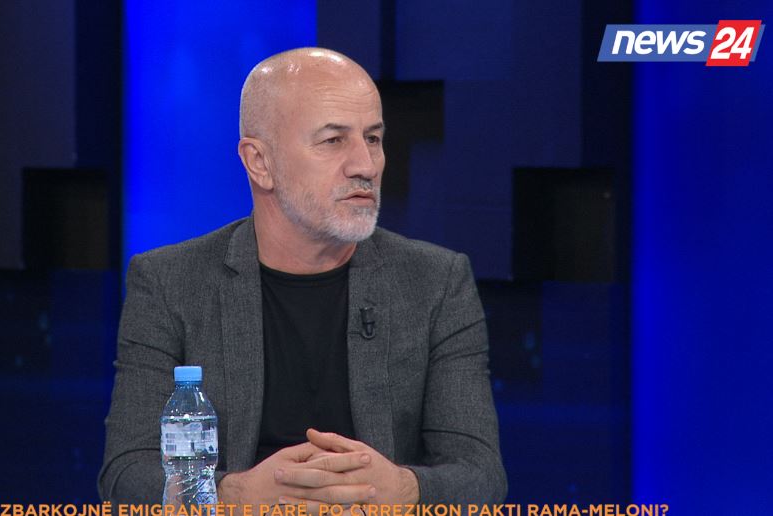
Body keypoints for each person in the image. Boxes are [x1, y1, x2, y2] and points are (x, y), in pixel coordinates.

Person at [98, 47, 506, 508]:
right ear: (260, 162)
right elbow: (126, 475)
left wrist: (404, 489)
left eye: (373, 138)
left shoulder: (436, 283)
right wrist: (233, 496)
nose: (366, 165)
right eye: (333, 140)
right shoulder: (170, 283)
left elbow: (481, 476)